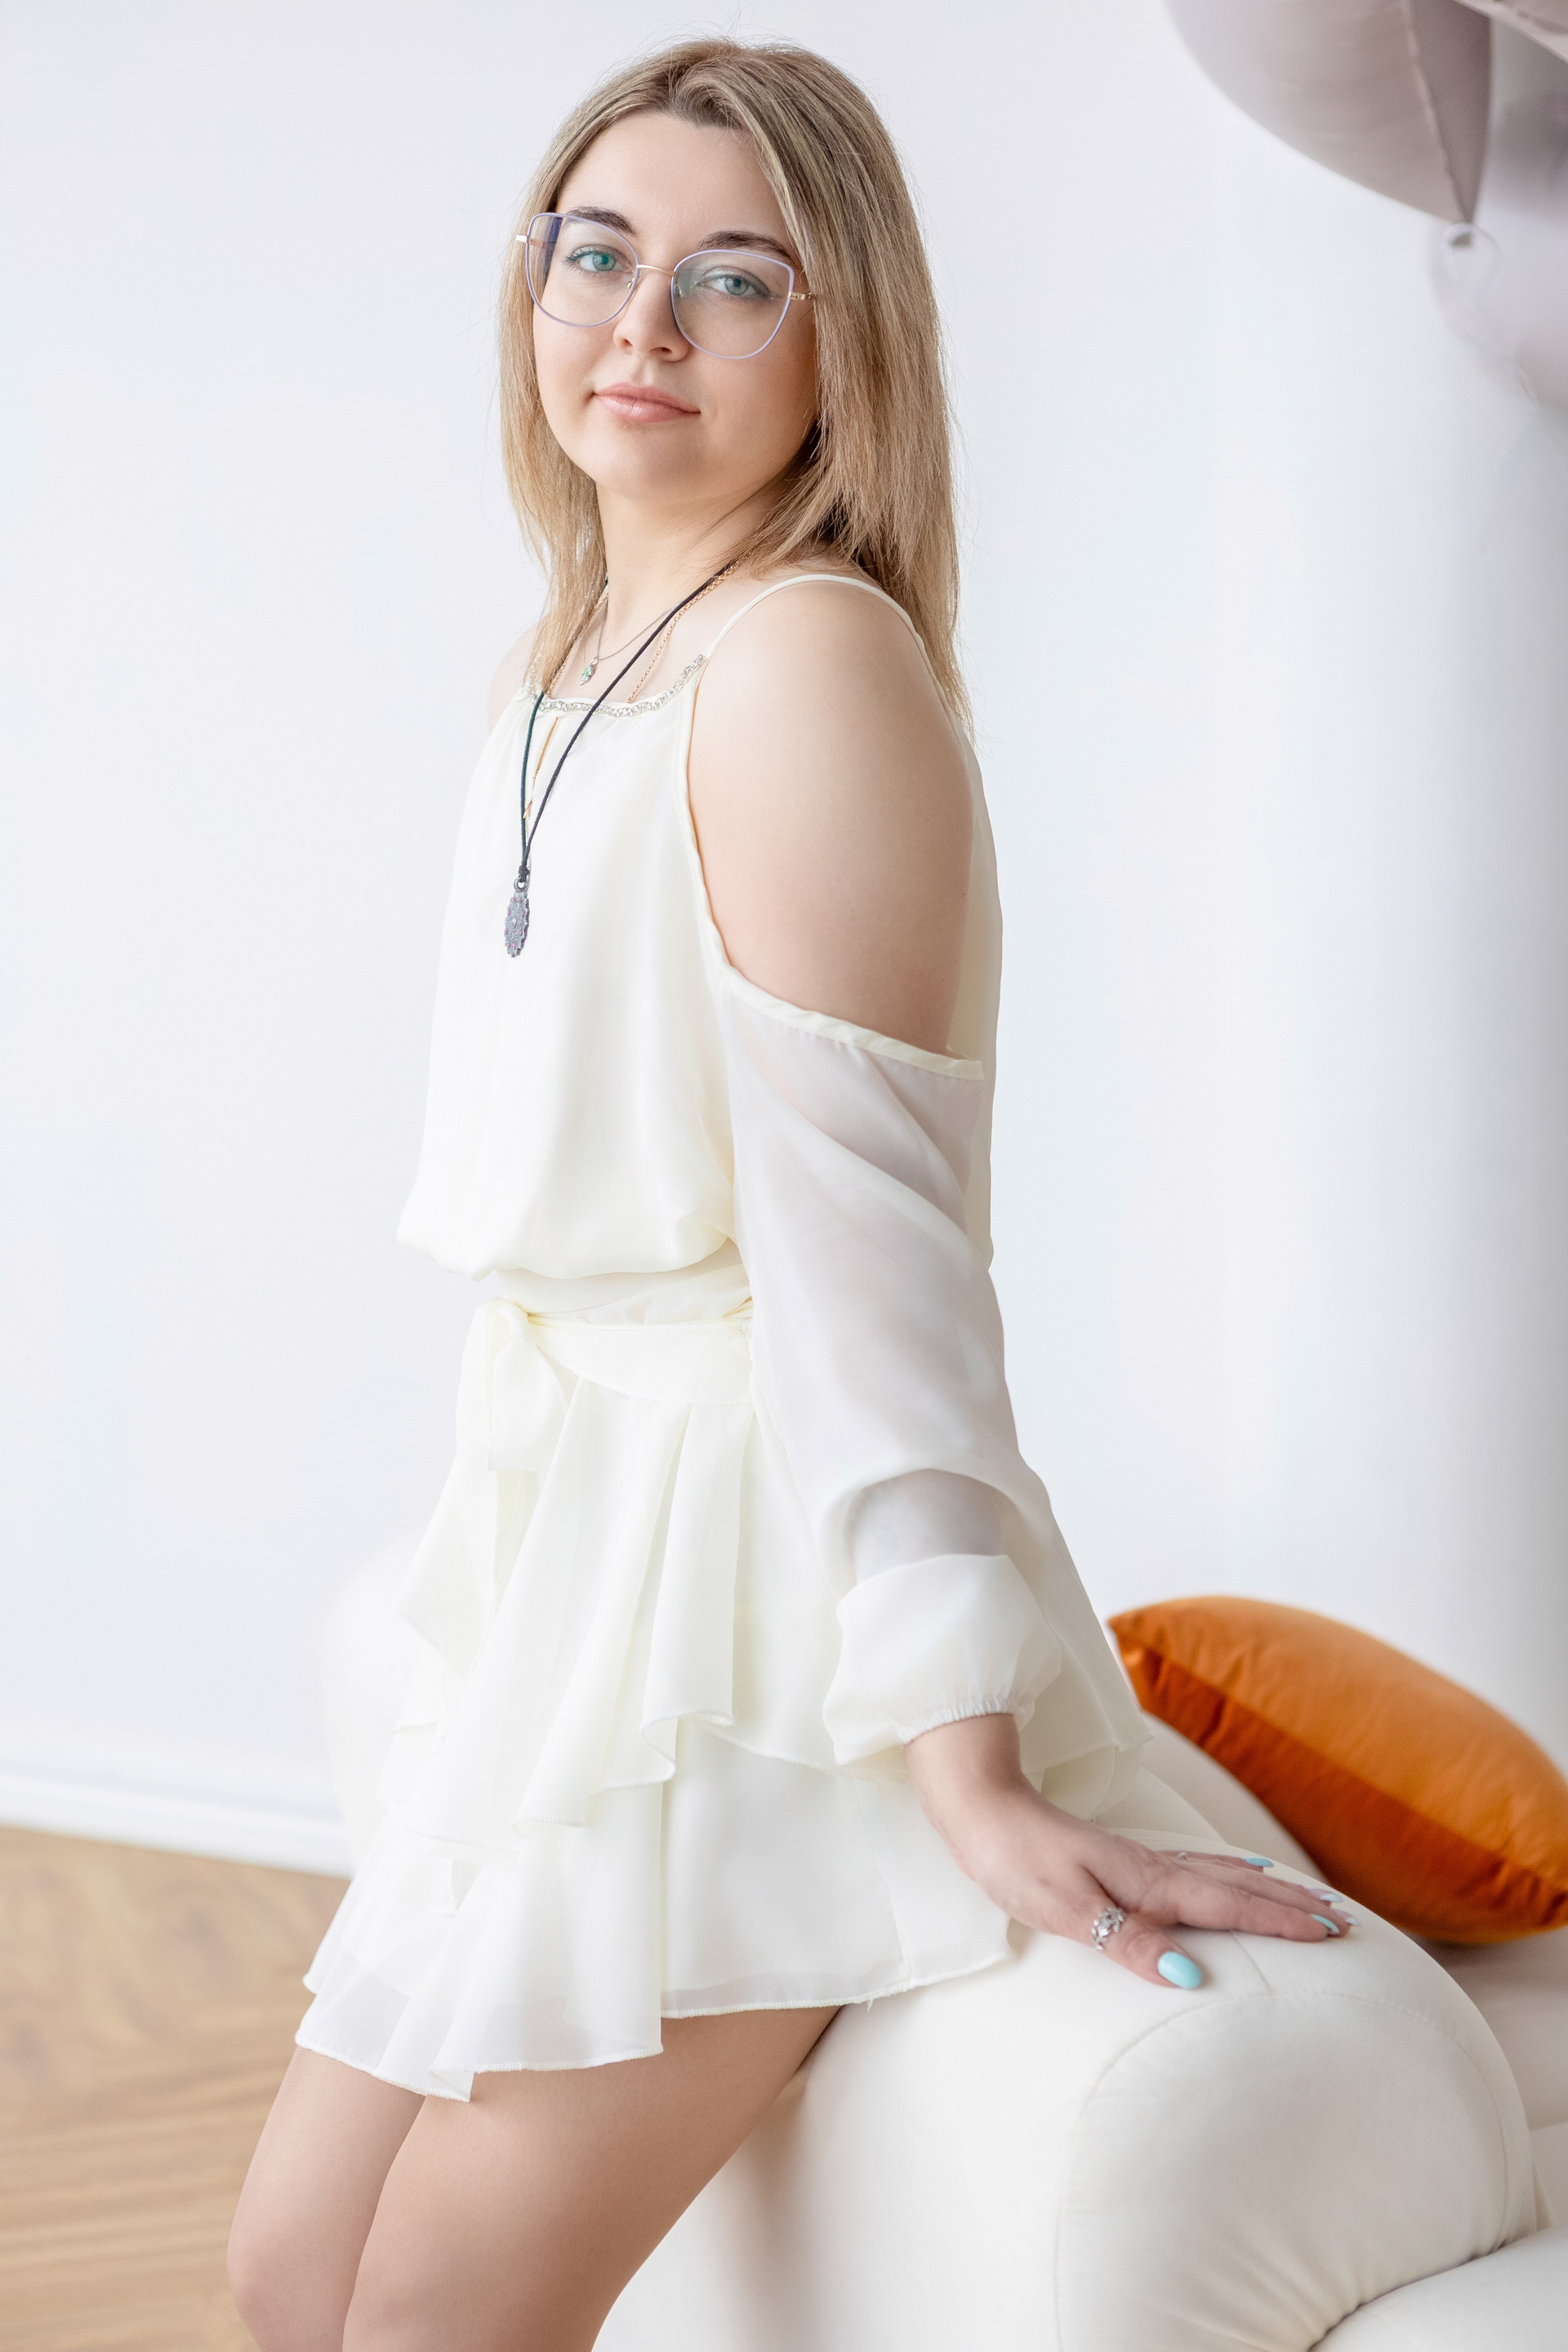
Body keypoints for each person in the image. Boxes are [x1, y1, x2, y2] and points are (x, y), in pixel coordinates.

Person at [227, 38, 1351, 2352]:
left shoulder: (806, 663)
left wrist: (965, 1754)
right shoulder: (570, 655)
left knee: (428, 2312)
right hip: (582, 1555)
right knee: (285, 2274)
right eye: (597, 254)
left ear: (844, 343)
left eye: (734, 279)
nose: (641, 324)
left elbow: (878, 1260)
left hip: (757, 1607)